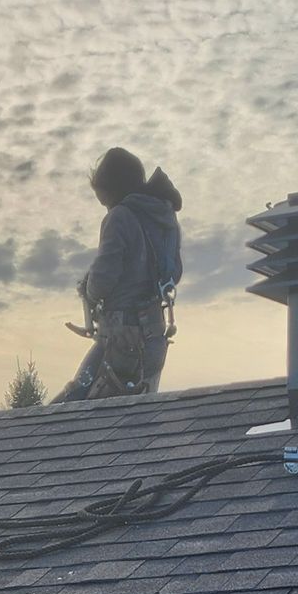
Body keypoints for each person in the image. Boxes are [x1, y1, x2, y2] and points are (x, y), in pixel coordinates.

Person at [52, 147, 182, 403]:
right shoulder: (164, 217)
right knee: (134, 412)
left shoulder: (119, 217)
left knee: (76, 400)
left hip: (121, 339)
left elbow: (103, 279)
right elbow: (174, 272)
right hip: (155, 336)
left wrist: (88, 288)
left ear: (111, 188)